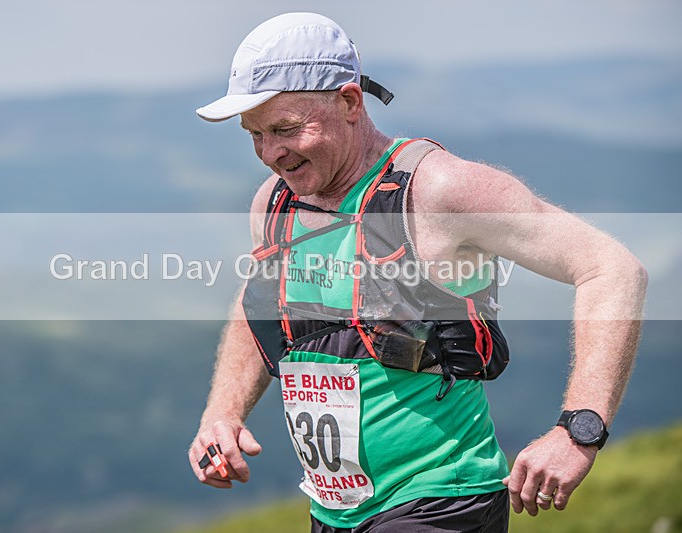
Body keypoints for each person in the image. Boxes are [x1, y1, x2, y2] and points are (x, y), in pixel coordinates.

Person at [188, 12, 647, 533]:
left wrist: (578, 430)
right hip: (333, 511)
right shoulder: (274, 204)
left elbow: (611, 269)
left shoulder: (438, 191)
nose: (271, 154)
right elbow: (261, 303)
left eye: (286, 129)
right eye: (255, 135)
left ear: (349, 102)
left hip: (441, 503)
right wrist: (222, 415)